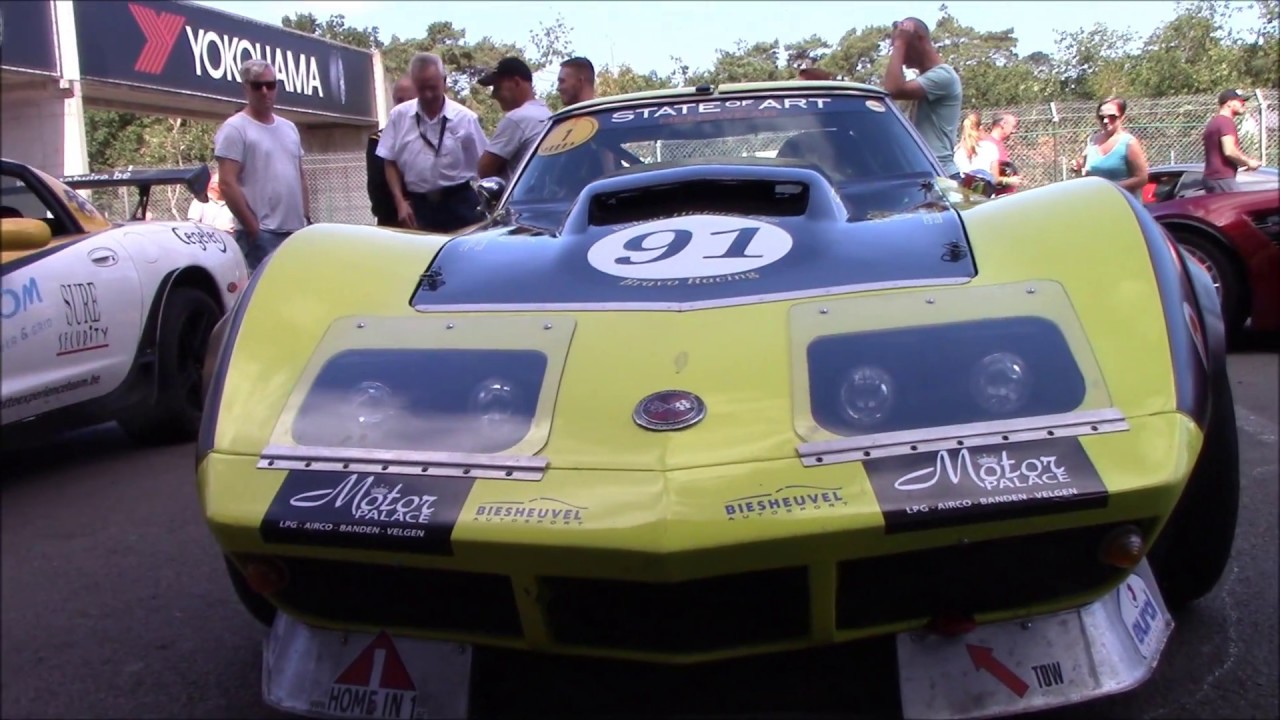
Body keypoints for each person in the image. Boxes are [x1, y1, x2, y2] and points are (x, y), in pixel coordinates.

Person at [214, 59, 311, 272]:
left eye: (271, 85)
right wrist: (255, 230)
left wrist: (307, 218)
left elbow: (299, 176)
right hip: (261, 235)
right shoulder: (235, 128)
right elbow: (227, 183)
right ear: (246, 88)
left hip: (296, 232)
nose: (265, 91)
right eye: (258, 86)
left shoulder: (289, 128)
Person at [376, 52, 489, 232]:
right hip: (419, 207)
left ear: (444, 82)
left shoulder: (465, 118)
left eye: (433, 88)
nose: (428, 95)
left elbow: (485, 166)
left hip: (460, 204)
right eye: (421, 89)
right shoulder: (399, 116)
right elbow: (389, 160)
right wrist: (400, 202)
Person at [881, 17, 963, 179]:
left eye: (905, 44)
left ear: (919, 39)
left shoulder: (944, 76)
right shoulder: (926, 81)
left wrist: (899, 44)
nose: (901, 57)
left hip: (939, 173)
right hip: (928, 172)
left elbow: (893, 89)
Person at [477, 57, 552, 184]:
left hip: (516, 200)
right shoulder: (548, 115)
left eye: (497, 87)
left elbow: (484, 170)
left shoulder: (517, 119)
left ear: (516, 83)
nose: (493, 95)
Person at [1071, 96, 1150, 196]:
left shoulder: (1129, 143)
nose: (1105, 121)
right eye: (1102, 117)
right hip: (1096, 202)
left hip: (1123, 204)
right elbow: (1086, 171)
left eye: (1111, 117)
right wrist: (1077, 167)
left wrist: (1112, 187)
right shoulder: (1092, 141)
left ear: (1122, 117)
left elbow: (1142, 178)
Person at [367, 75, 416, 226]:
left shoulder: (433, 136)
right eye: (399, 101)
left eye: (410, 101)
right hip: (392, 220)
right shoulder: (379, 139)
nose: (403, 106)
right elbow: (378, 187)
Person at [1202, 88, 1263, 194]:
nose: (1244, 105)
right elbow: (1229, 151)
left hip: (1214, 178)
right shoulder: (1225, 122)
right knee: (1238, 207)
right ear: (1229, 103)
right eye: (1241, 102)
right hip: (1222, 179)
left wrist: (1241, 163)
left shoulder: (1214, 122)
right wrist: (1248, 162)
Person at [986, 111, 1023, 195]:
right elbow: (987, 176)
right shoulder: (988, 145)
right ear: (1003, 124)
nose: (1014, 131)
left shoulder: (999, 144)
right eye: (1013, 126)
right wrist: (1007, 181)